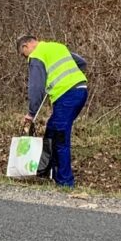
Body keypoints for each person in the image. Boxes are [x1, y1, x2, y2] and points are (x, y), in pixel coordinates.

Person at [16, 35, 88, 188]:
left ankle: (65, 182)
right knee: (52, 129)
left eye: (23, 54)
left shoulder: (36, 56)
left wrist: (31, 113)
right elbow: (81, 62)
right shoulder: (57, 46)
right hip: (81, 91)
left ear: (26, 46)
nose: (25, 58)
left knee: (60, 137)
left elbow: (36, 88)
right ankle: (47, 170)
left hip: (66, 95)